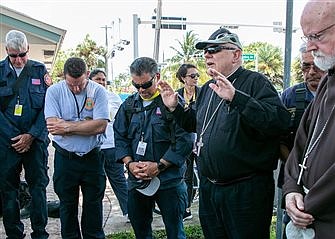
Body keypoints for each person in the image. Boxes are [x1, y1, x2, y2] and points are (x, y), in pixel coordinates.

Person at [158, 27, 291, 239]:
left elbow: (278, 122)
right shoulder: (209, 87)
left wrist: (236, 98)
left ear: (236, 54)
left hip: (245, 191)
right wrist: (174, 108)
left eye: (214, 49)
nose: (207, 55)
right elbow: (197, 124)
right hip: (211, 190)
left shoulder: (256, 82)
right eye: (205, 51)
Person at [113, 57, 192, 239]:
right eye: (136, 85)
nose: (141, 90)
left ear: (157, 76)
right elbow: (120, 136)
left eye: (146, 84)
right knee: (141, 231)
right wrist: (130, 164)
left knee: (175, 232)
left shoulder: (172, 103)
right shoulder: (129, 105)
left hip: (169, 181)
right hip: (138, 181)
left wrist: (160, 166)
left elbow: (185, 139)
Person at [283, 1, 335, 238]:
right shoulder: (327, 80)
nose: (310, 47)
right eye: (306, 37)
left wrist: (308, 203)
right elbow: (302, 141)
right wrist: (292, 188)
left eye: (316, 36)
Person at [44, 57, 109, 238]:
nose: (77, 89)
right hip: (66, 159)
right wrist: (84, 125)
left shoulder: (98, 91)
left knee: (94, 206)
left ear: (87, 75)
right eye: (71, 85)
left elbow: (100, 126)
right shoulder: (54, 92)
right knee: (67, 206)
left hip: (92, 158)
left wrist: (67, 126)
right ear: (64, 77)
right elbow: (53, 127)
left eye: (80, 84)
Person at [0, 30, 50, 239]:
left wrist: (30, 135)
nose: (19, 60)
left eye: (22, 54)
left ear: (28, 49)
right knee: (8, 189)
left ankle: (40, 233)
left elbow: (49, 107)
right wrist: (15, 137)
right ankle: (14, 234)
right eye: (14, 56)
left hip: (35, 140)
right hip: (6, 142)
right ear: (6, 51)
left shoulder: (39, 70)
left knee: (38, 188)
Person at [277, 42, 326, 238]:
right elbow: (278, 139)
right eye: (306, 66)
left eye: (316, 65)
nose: (312, 72)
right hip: (295, 183)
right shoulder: (290, 96)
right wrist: (296, 173)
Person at [89, 69, 129, 221]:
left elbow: (120, 120)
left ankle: (129, 211)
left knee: (118, 179)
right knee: (95, 182)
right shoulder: (85, 97)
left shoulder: (113, 97)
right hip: (93, 147)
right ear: (90, 80)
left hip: (111, 145)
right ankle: (95, 215)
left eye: (103, 80)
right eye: (98, 79)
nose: (101, 82)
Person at [175, 63, 200, 221]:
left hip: (202, 140)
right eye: (192, 76)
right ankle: (187, 208)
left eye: (197, 75)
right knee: (187, 176)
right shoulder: (177, 95)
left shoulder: (204, 93)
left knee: (205, 173)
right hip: (185, 140)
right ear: (183, 78)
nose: (196, 78)